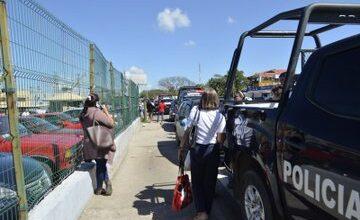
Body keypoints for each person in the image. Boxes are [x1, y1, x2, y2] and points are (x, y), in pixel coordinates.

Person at [179, 88, 226, 220]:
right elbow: (220, 139)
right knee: (210, 183)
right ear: (216, 100)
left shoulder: (196, 111)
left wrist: (182, 147)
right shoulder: (220, 116)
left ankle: (201, 212)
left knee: (197, 182)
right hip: (213, 151)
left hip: (198, 150)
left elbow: (187, 129)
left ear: (203, 99)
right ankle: (207, 211)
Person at [79, 93, 115, 196]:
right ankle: (104, 186)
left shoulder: (83, 113)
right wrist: (106, 111)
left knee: (101, 164)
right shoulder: (96, 113)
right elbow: (111, 123)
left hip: (89, 143)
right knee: (100, 164)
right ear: (96, 102)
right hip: (99, 141)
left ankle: (102, 187)